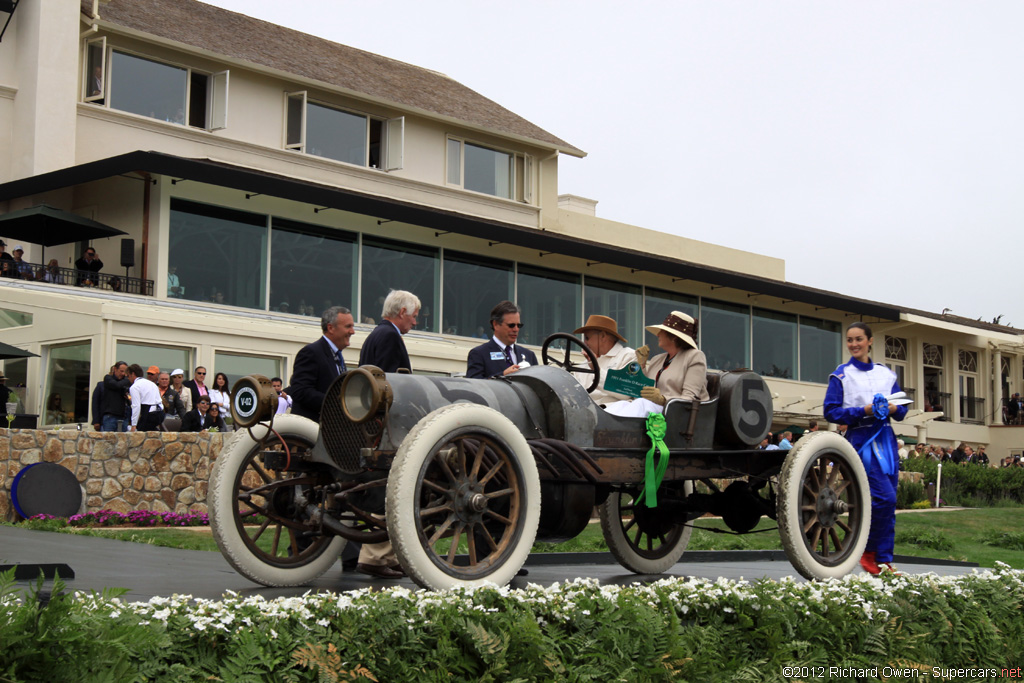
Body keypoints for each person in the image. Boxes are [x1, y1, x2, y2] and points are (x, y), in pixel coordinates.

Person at [823, 322, 908, 576]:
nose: (854, 344)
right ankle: (869, 553)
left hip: (886, 439)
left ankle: (883, 559)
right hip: (861, 440)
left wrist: (893, 409)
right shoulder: (841, 375)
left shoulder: (886, 374)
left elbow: (902, 408)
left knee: (888, 501)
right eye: (849, 340)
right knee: (884, 497)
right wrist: (863, 411)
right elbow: (831, 411)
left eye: (859, 339)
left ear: (870, 341)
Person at [603, 311, 709, 418]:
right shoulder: (657, 359)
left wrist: (662, 399)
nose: (657, 334)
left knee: (641, 404)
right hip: (653, 411)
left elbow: (689, 399)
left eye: (662, 331)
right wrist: (642, 365)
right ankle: (599, 426)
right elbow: (643, 389)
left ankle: (610, 428)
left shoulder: (695, 356)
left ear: (674, 337)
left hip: (676, 416)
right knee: (622, 404)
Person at [290, 306, 355, 422]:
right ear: (330, 328)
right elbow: (300, 391)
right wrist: (336, 404)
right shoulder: (311, 352)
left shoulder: (337, 355)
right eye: (348, 326)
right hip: (311, 431)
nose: (353, 331)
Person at [570, 314, 636, 404]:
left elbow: (627, 391)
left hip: (612, 415)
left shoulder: (628, 356)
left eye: (587, 338)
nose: (584, 343)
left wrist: (595, 369)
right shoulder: (584, 364)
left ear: (603, 336)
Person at [466, 300, 539, 379]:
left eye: (519, 325)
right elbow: (474, 387)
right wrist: (502, 376)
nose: (516, 329)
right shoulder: (479, 354)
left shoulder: (529, 355)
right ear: (496, 324)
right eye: (511, 325)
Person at [358, 290, 418, 373]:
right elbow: (387, 380)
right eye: (414, 316)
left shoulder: (377, 333)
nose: (415, 323)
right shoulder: (390, 336)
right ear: (402, 312)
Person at [127, 364, 165, 432]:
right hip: (160, 413)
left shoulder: (134, 387)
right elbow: (160, 401)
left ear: (132, 374)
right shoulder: (152, 384)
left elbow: (136, 406)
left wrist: (134, 425)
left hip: (148, 414)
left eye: (128, 376)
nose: (128, 378)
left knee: (142, 435)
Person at [100, 361, 131, 431]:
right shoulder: (108, 378)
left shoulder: (125, 382)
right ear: (115, 369)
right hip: (110, 417)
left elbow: (130, 397)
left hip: (123, 416)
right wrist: (127, 379)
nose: (123, 374)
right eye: (121, 371)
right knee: (108, 440)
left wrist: (128, 396)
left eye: (125, 372)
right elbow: (117, 385)